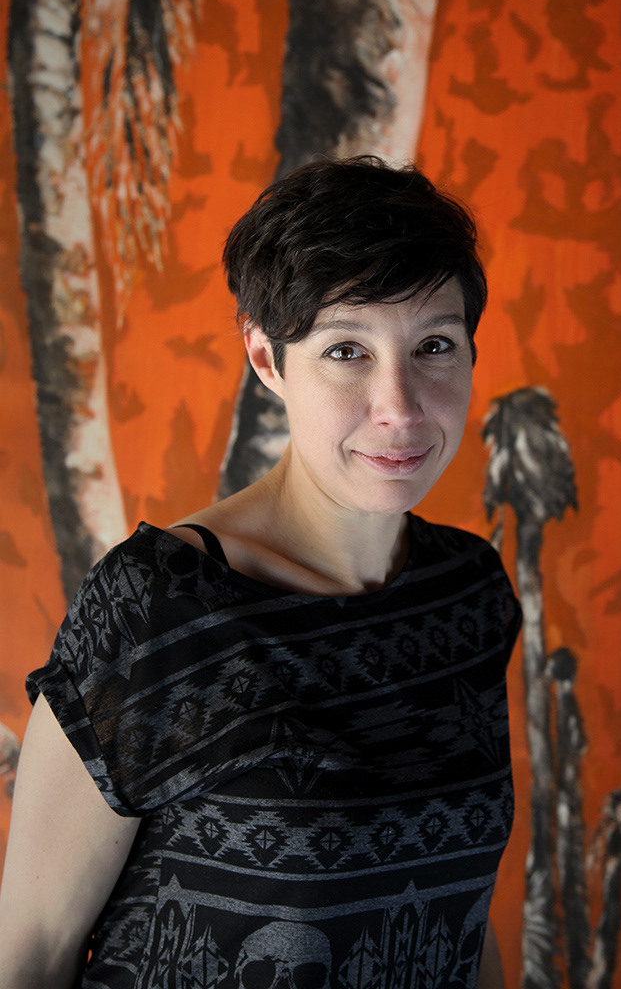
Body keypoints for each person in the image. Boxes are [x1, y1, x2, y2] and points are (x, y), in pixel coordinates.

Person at [0, 156, 521, 988]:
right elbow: (29, 954)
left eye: (433, 345)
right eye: (346, 350)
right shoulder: (155, 606)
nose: (400, 406)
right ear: (267, 359)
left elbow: (461, 917)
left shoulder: (469, 592)